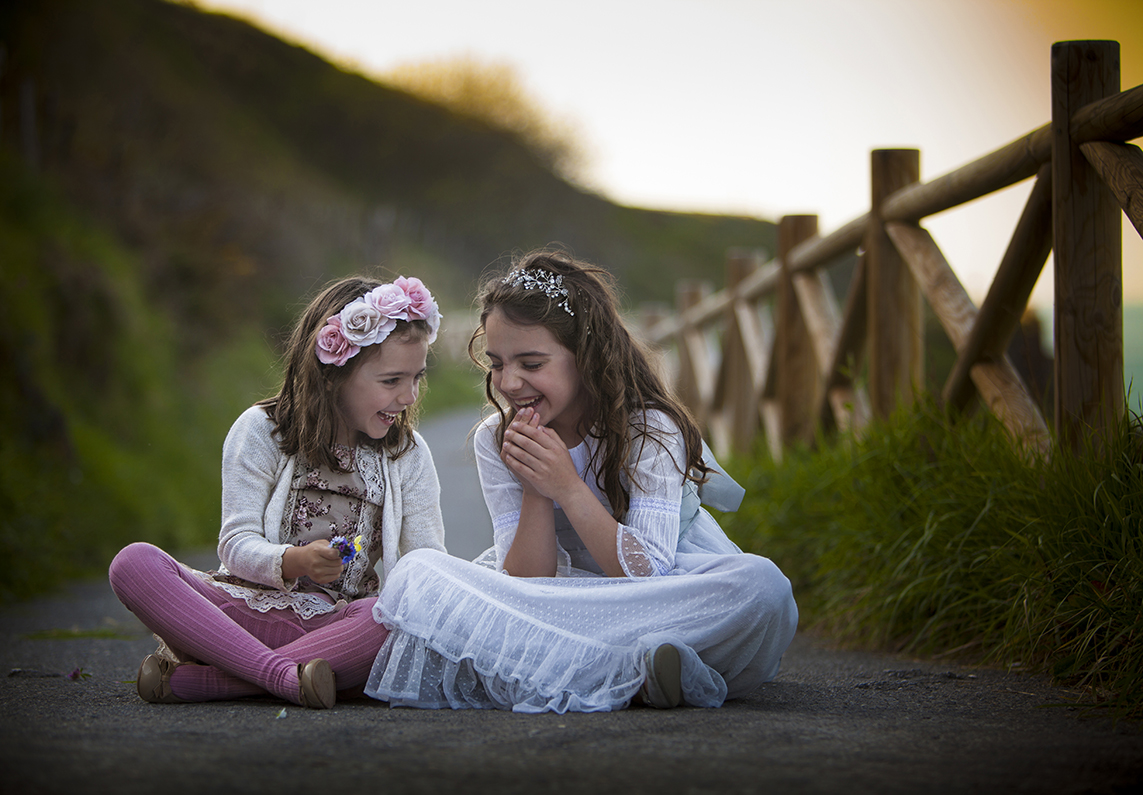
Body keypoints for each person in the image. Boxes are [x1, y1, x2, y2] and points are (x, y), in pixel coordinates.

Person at [365, 250, 797, 713]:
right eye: (496, 363)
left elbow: (649, 574)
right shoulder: (496, 438)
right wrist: (535, 487)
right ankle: (643, 665)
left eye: (531, 364)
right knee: (419, 574)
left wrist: (568, 487)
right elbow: (529, 581)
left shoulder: (648, 429)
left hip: (661, 590)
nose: (509, 383)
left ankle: (600, 662)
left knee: (763, 587)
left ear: (585, 357)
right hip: (557, 595)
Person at [109, 275, 447, 709]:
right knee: (134, 563)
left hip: (339, 627)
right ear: (332, 375)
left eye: (417, 377)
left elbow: (424, 567)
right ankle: (287, 676)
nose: (408, 396)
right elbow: (235, 542)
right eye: (391, 380)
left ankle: (213, 681)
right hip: (245, 612)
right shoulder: (261, 430)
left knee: (396, 618)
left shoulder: (407, 455)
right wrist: (292, 561)